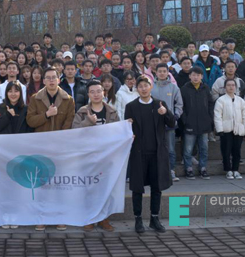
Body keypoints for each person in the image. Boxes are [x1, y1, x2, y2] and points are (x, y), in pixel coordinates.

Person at [26, 67, 75, 232]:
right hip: (41, 147)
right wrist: (47, 115)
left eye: (54, 77)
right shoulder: (35, 98)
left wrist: (58, 141)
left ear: (59, 80)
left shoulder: (68, 100)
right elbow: (30, 121)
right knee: (42, 185)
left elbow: (69, 122)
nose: (51, 80)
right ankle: (42, 216)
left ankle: (60, 216)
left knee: (59, 185)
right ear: (44, 81)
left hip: (60, 148)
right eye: (48, 78)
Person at [125, 76, 175, 234]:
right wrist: (128, 128)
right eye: (140, 86)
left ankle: (154, 219)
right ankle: (138, 219)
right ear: (137, 89)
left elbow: (172, 123)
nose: (143, 89)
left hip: (157, 153)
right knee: (137, 188)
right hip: (139, 153)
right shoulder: (131, 106)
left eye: (146, 85)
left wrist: (165, 113)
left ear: (151, 86)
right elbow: (126, 129)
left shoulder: (160, 104)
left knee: (157, 187)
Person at [72, 80, 120, 232]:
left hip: (106, 156)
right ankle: (89, 218)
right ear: (88, 94)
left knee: (105, 188)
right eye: (92, 92)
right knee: (89, 188)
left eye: (99, 91)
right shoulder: (82, 112)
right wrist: (87, 121)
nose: (96, 94)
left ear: (104, 93)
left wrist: (126, 134)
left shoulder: (112, 111)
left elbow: (118, 132)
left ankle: (104, 218)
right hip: (88, 156)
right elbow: (74, 131)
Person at [0, 81, 32, 229]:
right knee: (3, 186)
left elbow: (30, 130)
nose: (13, 94)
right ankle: (4, 214)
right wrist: (7, 115)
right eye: (10, 91)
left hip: (20, 154)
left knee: (17, 186)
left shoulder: (26, 109)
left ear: (21, 93)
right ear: (6, 93)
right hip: (2, 154)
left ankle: (16, 214)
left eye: (16, 91)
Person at [151, 64, 184, 183]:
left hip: (169, 123)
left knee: (170, 149)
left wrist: (175, 116)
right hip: (154, 124)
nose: (162, 73)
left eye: (164, 71)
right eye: (159, 71)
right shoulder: (151, 87)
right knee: (155, 148)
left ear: (167, 73)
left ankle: (171, 171)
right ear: (156, 72)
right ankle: (156, 171)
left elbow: (179, 104)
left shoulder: (174, 87)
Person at [180, 67, 213, 180]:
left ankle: (202, 168)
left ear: (202, 77)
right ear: (189, 76)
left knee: (204, 148)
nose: (195, 77)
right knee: (188, 149)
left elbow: (210, 104)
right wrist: (185, 120)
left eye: (198, 75)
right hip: (190, 123)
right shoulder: (184, 89)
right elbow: (181, 106)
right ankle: (188, 169)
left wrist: (209, 118)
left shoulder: (205, 88)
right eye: (193, 75)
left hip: (204, 123)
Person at [214, 79, 245, 180]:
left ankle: (236, 169)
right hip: (226, 129)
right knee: (226, 150)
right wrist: (219, 129)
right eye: (228, 85)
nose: (231, 87)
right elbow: (217, 116)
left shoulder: (241, 101)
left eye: (233, 85)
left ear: (236, 87)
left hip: (238, 129)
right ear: (225, 87)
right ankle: (228, 170)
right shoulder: (221, 100)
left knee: (236, 151)